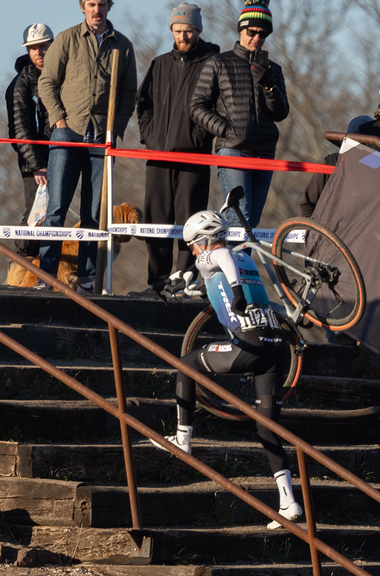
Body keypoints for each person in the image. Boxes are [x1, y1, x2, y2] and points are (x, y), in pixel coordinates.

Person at [153, 209, 303, 528]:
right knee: (266, 429)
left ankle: (183, 438)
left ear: (205, 241)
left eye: (193, 244)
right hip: (276, 347)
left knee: (186, 365)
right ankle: (289, 502)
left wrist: (234, 292)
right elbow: (223, 268)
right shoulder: (245, 258)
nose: (193, 251)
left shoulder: (213, 254)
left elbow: (219, 258)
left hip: (249, 346)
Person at [37, 0, 137, 294]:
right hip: (68, 133)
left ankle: (87, 280)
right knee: (56, 209)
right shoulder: (67, 39)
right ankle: (46, 276)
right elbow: (47, 83)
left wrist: (114, 130)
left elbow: (129, 93)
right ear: (83, 7)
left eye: (102, 4)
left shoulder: (123, 46)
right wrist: (59, 120)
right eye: (91, 4)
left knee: (95, 212)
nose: (97, 10)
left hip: (102, 137)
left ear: (109, 7)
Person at [137, 3, 219, 294]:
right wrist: (149, 136)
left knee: (191, 218)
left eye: (188, 31)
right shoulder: (160, 64)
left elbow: (219, 106)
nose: (183, 36)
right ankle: (157, 280)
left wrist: (200, 137)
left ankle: (185, 278)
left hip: (193, 155)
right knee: (156, 217)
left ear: (198, 30)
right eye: (178, 30)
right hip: (158, 155)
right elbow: (143, 103)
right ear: (171, 30)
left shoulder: (213, 61)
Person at [190, 0, 288, 230]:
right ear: (241, 29)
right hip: (233, 151)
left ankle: (238, 266)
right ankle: (230, 266)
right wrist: (227, 131)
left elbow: (281, 113)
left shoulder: (274, 69)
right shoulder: (219, 63)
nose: (257, 38)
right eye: (252, 32)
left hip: (264, 152)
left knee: (251, 223)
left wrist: (269, 87)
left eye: (263, 34)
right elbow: (196, 106)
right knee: (239, 218)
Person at [5, 22, 53, 271]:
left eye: (44, 46)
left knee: (53, 216)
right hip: (35, 162)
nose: (39, 52)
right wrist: (37, 165)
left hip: (62, 154)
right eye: (33, 48)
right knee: (36, 213)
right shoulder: (20, 85)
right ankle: (21, 267)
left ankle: (46, 271)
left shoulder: (61, 77)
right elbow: (20, 130)